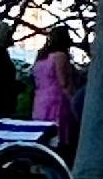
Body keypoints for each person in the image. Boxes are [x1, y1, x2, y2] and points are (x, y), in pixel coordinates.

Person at [31, 24, 84, 158]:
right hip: (57, 100)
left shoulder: (41, 57)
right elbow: (63, 82)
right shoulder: (60, 56)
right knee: (59, 135)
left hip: (40, 100)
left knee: (42, 133)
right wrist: (74, 100)